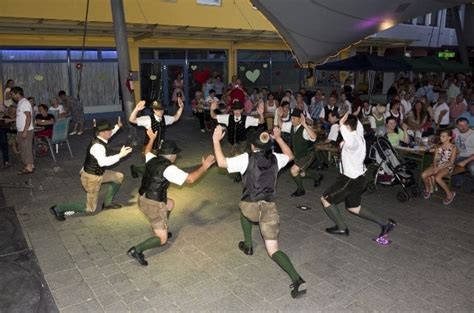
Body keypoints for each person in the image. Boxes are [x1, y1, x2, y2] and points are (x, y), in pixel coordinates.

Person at [212, 125, 307, 299]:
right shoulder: (276, 158)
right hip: (270, 210)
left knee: (243, 209)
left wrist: (215, 141)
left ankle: (248, 245)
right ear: (268, 145)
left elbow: (221, 163)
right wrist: (279, 138)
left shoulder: (245, 158)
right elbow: (291, 156)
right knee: (273, 250)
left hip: (250, 206)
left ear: (253, 146)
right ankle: (297, 278)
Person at [127, 129, 215, 266]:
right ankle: (137, 250)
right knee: (162, 240)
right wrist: (204, 167)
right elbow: (190, 179)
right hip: (153, 205)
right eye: (176, 154)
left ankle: (162, 227)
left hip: (142, 198)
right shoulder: (169, 169)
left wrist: (151, 139)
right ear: (172, 155)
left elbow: (146, 151)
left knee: (170, 204)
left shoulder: (152, 158)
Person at [321, 112, 396, 243]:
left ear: (348, 128)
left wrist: (341, 124)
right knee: (353, 207)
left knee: (326, 200)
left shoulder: (353, 140)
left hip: (349, 179)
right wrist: (352, 115)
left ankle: (342, 227)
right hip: (360, 178)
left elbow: (349, 139)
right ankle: (386, 223)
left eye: (343, 128)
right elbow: (357, 126)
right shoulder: (359, 133)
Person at [50, 118, 132, 221]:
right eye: (108, 131)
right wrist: (120, 155)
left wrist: (118, 127)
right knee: (90, 209)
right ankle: (58, 208)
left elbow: (111, 133)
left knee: (118, 177)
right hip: (91, 178)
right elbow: (103, 162)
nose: (110, 132)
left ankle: (107, 203)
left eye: (110, 130)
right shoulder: (97, 147)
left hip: (99, 173)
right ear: (101, 133)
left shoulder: (101, 137)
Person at [210, 100, 264, 181]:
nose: (237, 111)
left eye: (239, 109)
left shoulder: (246, 119)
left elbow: (261, 121)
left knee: (238, 156)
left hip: (242, 142)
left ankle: (241, 174)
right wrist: (211, 109)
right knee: (233, 158)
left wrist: (261, 114)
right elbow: (214, 116)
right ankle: (240, 172)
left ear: (242, 110)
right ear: (233, 110)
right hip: (231, 142)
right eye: (235, 109)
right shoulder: (228, 117)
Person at [129, 98, 184, 178]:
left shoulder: (165, 118)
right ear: (154, 110)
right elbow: (132, 120)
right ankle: (135, 168)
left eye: (162, 109)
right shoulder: (148, 119)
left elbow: (176, 117)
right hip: (149, 147)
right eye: (158, 110)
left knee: (156, 166)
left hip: (160, 147)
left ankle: (146, 171)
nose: (161, 111)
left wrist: (181, 107)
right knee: (150, 167)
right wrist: (136, 109)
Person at [280, 108, 322, 197]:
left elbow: (314, 137)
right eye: (291, 118)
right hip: (298, 155)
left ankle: (301, 190)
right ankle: (317, 177)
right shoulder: (291, 125)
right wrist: (280, 116)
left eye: (294, 118)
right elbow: (281, 125)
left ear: (300, 119)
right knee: (301, 174)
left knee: (294, 170)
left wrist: (305, 125)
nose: (292, 120)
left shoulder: (304, 129)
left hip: (308, 155)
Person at [421, 130, 457, 204]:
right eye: (440, 136)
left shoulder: (453, 147)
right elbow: (435, 158)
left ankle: (450, 194)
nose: (441, 137)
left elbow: (451, 162)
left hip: (447, 166)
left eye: (443, 136)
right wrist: (435, 167)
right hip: (438, 165)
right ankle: (428, 189)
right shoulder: (438, 146)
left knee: (438, 178)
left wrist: (438, 168)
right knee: (423, 175)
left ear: (449, 137)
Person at [11, 87, 35, 175]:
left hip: (26, 130)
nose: (12, 96)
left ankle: (29, 167)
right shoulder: (20, 103)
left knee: (26, 148)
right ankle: (30, 165)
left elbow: (28, 117)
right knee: (24, 148)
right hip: (22, 130)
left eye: (12, 94)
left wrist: (25, 131)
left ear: (17, 93)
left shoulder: (24, 103)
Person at [452, 117, 474, 191]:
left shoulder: (472, 134)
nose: (463, 127)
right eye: (460, 125)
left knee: (472, 167)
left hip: (471, 156)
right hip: (459, 155)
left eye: (465, 125)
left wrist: (465, 161)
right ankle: (459, 181)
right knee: (448, 162)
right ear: (457, 126)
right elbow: (450, 142)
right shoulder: (454, 131)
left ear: (468, 125)